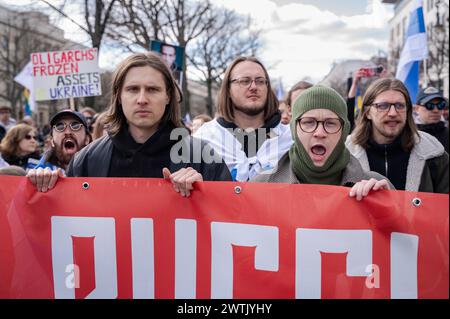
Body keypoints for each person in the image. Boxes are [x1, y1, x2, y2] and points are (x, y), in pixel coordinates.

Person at [28, 52, 231, 196]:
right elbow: (65, 225)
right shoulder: (87, 160)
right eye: (133, 89)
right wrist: (43, 189)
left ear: (168, 96)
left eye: (152, 89)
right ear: (119, 96)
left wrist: (206, 195)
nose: (142, 99)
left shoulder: (204, 159)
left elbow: (232, 221)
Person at [252, 85, 392, 201]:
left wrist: (388, 207)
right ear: (294, 130)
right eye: (308, 122)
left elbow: (404, 232)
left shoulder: (376, 186)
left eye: (330, 123)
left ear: (344, 132)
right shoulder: (260, 187)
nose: (319, 133)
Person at [194, 56, 293, 181]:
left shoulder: (290, 138)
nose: (253, 87)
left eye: (260, 81)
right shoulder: (205, 137)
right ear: (228, 89)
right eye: (245, 81)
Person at [346, 78, 449, 194]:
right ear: (367, 112)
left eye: (400, 106)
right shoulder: (346, 154)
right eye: (383, 106)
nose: (393, 113)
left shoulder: (432, 152)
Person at [414, 86, 448, 153]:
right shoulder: (408, 136)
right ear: (417, 108)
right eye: (429, 105)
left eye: (440, 105)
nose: (436, 110)